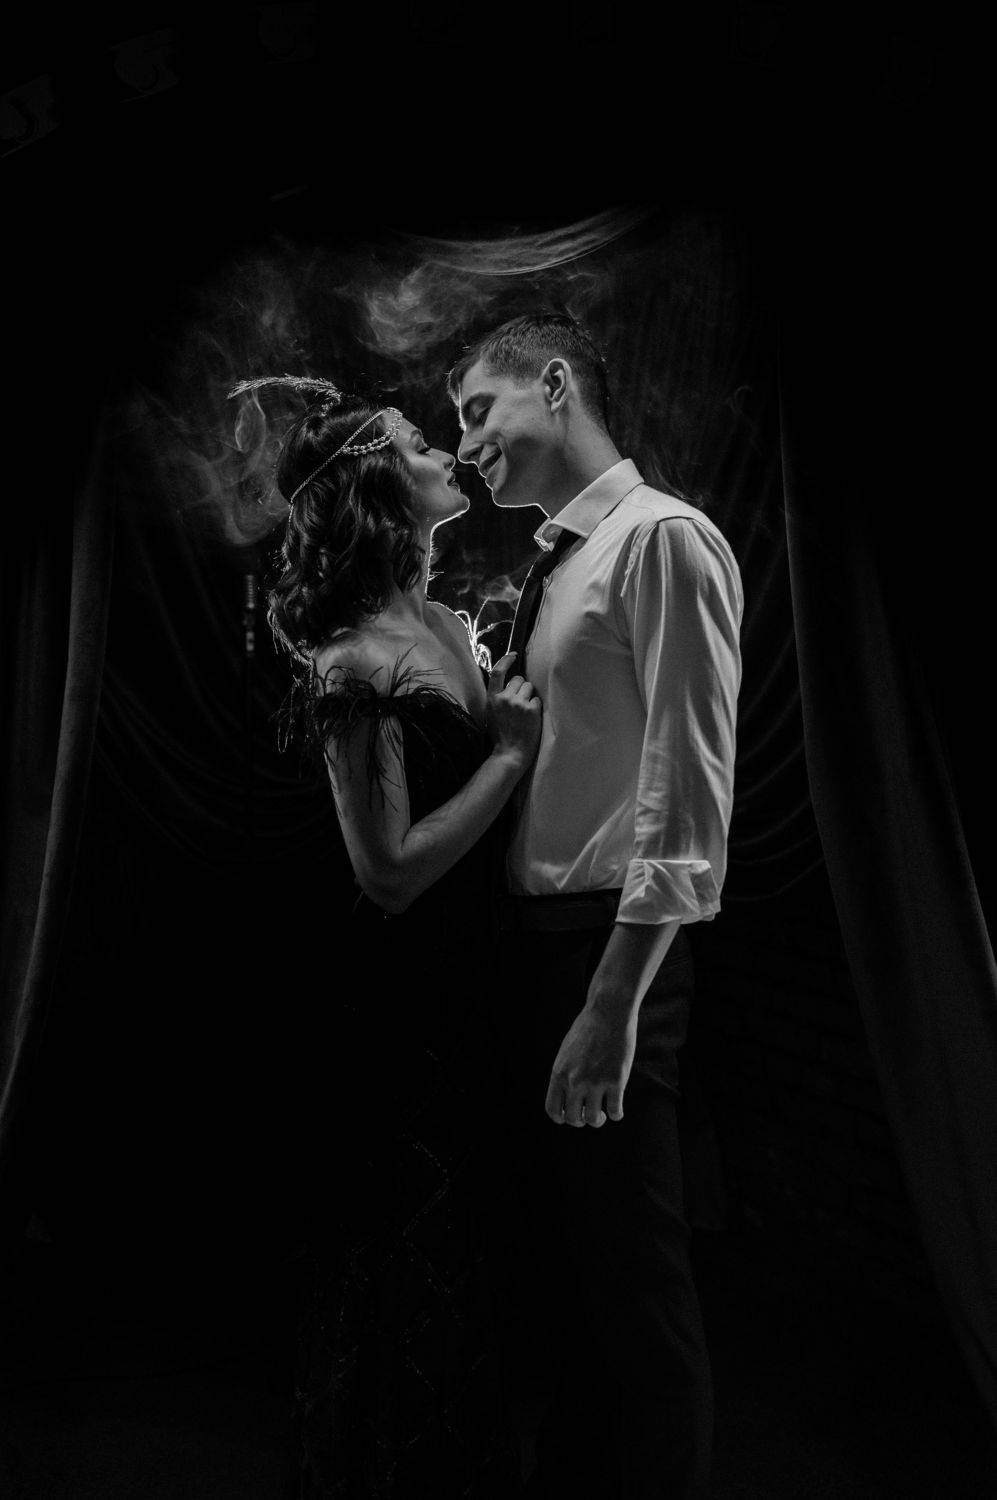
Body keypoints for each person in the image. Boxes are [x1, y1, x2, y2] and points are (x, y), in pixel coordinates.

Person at [448, 313, 744, 1499]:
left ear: (556, 383)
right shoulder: (558, 562)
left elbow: (688, 797)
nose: (464, 443)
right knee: (570, 1290)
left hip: (604, 959)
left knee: (634, 1294)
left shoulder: (659, 539)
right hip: (539, 955)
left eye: (478, 409)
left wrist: (612, 1006)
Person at [229, 375, 539, 1498]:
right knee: (408, 1257)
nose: (443, 449)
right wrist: (509, 755)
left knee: (477, 1258)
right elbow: (390, 872)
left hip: (478, 986)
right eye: (415, 441)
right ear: (375, 484)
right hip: (399, 1018)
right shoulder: (352, 658)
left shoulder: (447, 625)